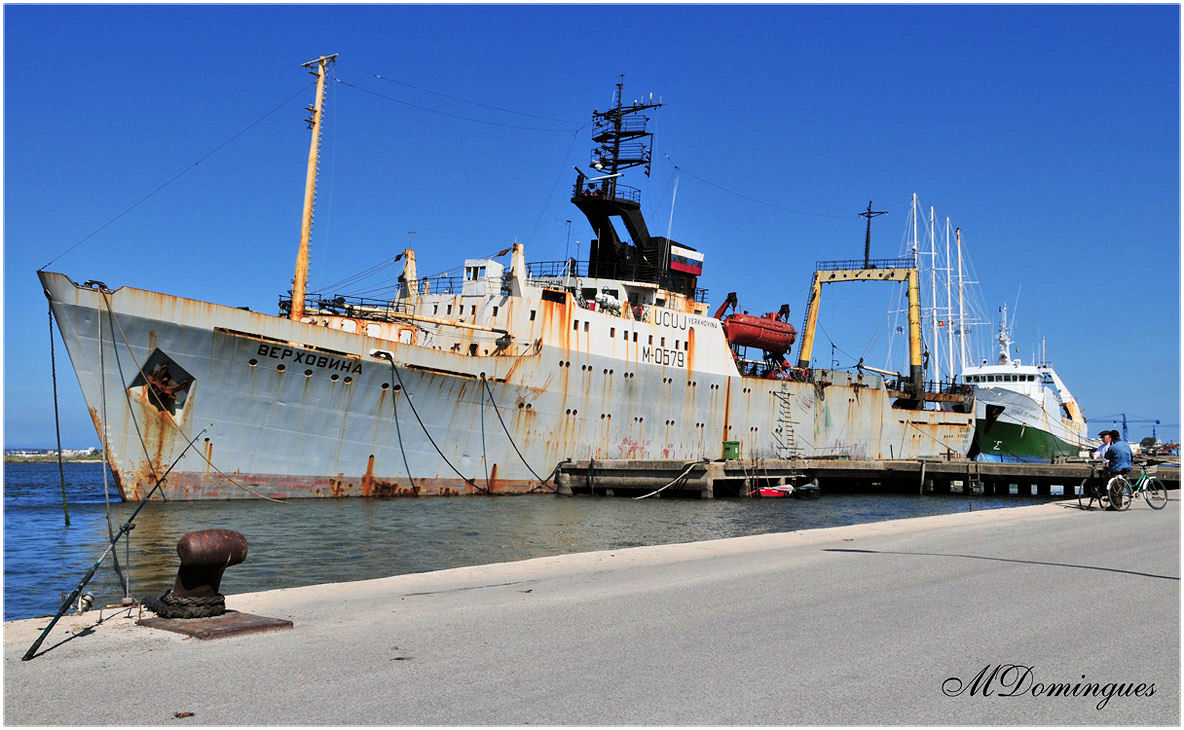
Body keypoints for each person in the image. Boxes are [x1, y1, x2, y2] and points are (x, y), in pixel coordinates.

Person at [1103, 430, 1134, 508]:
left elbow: (1106, 456)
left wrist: (1110, 445)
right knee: (1120, 484)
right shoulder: (1126, 444)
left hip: (1117, 469)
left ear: (1111, 438)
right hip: (1127, 468)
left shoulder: (1113, 447)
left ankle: (1115, 503)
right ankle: (1118, 502)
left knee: (1109, 479)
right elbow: (1131, 456)